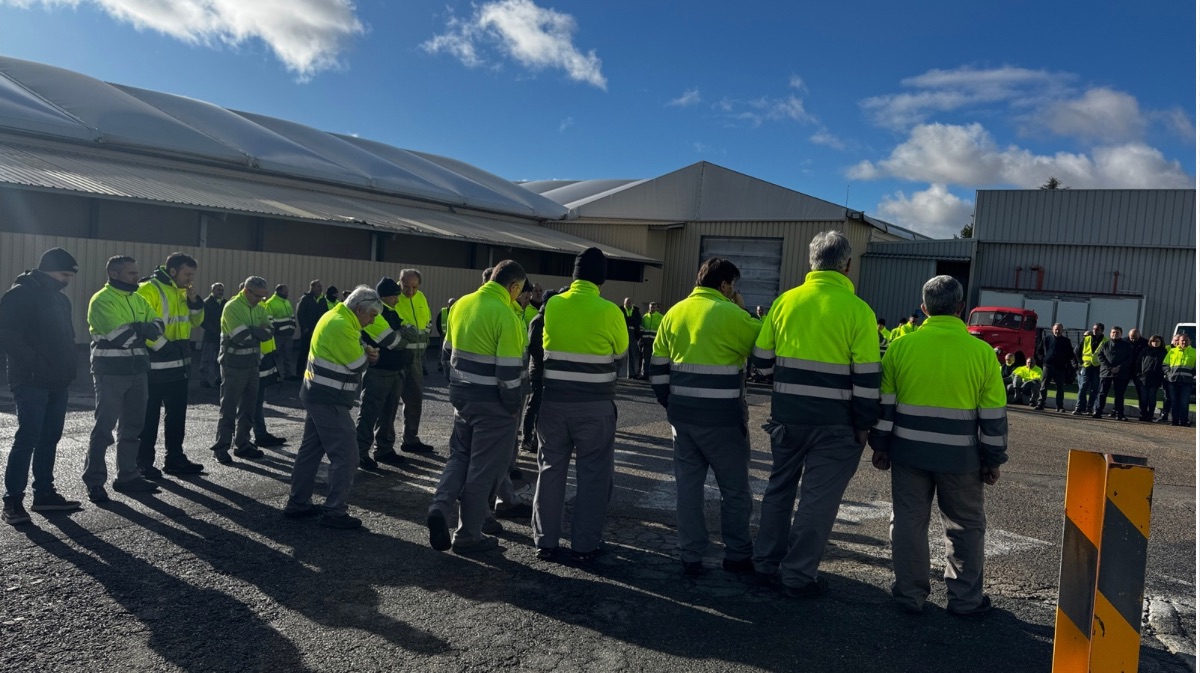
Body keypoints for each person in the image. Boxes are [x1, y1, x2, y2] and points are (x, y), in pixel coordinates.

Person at [750, 231, 881, 597]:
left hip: (787, 419)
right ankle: (797, 576)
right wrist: (864, 425)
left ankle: (764, 563)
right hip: (836, 425)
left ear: (811, 263)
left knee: (779, 489)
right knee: (817, 502)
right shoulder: (859, 311)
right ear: (847, 265)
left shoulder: (785, 303)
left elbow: (761, 363)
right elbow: (868, 379)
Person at [869, 275, 1006, 617]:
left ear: (923, 308)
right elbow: (992, 416)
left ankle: (908, 595)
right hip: (961, 458)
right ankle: (964, 600)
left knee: (907, 522)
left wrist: (880, 445)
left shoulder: (901, 347)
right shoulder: (982, 353)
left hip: (907, 453)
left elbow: (884, 406)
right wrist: (993, 459)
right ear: (961, 308)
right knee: (964, 526)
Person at [650, 258, 761, 576]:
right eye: (733, 287)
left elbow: (657, 368)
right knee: (735, 490)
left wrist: (669, 404)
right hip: (724, 419)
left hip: (682, 417)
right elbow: (765, 351)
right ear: (725, 285)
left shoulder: (674, 313)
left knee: (688, 487)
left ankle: (690, 554)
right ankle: (737, 553)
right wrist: (740, 309)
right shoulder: (733, 315)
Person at [532, 249, 627, 562]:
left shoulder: (553, 304)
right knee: (594, 475)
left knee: (550, 470)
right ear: (601, 278)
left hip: (553, 403)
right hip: (594, 407)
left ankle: (545, 541)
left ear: (573, 275)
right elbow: (621, 353)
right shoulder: (610, 310)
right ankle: (585, 545)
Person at [428, 260, 529, 554]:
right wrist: (512, 408)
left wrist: (457, 387)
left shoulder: (461, 304)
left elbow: (446, 354)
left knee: (459, 457)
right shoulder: (506, 315)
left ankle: (439, 506)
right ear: (512, 287)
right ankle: (468, 535)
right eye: (519, 291)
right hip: (494, 405)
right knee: (484, 470)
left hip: (462, 397)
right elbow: (509, 374)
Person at [285, 285, 382, 529]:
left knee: (310, 450)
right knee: (347, 455)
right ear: (359, 309)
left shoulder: (337, 317)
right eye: (371, 315)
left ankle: (298, 502)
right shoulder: (342, 324)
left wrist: (363, 351)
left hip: (317, 393)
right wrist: (367, 353)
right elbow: (357, 363)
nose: (372, 321)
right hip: (329, 398)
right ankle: (334, 510)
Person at [0, 248, 82, 524]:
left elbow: (66, 337)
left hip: (58, 379)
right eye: (64, 274)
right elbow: (8, 336)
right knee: (28, 439)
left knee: (50, 438)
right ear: (47, 270)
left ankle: (44, 494)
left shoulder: (59, 299)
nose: (67, 280)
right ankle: (12, 501)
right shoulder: (19, 295)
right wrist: (36, 365)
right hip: (31, 380)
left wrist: (69, 368)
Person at [83, 256, 165, 502]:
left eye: (136, 272)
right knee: (104, 429)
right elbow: (124, 338)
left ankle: (128, 476)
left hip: (138, 370)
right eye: (131, 273)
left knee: (133, 427)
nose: (136, 277)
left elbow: (160, 326)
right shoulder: (101, 300)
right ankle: (95, 481)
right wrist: (142, 328)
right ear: (114, 274)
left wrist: (138, 328)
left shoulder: (138, 298)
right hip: (110, 372)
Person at [136, 253, 205, 479]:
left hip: (179, 365)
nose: (190, 279)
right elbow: (142, 326)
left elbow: (195, 322)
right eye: (187, 274)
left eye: (192, 274)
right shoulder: (149, 289)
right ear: (172, 271)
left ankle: (175, 458)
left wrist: (194, 301)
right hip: (156, 365)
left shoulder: (183, 291)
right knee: (149, 417)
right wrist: (164, 347)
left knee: (177, 416)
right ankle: (143, 463)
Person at [355, 277, 418, 470]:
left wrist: (403, 334)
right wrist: (402, 335)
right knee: (370, 413)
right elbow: (394, 341)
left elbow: (412, 332)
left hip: (394, 370)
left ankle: (384, 449)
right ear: (383, 297)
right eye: (393, 296)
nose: (397, 300)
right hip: (379, 371)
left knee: (388, 414)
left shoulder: (390, 312)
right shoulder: (375, 314)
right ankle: (360, 452)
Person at [211, 277, 274, 464]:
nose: (262, 300)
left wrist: (253, 331)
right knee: (229, 408)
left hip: (252, 364)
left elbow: (270, 331)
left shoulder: (260, 308)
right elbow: (241, 337)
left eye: (264, 296)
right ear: (246, 291)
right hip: (233, 365)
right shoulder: (232, 307)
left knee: (249, 407)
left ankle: (243, 444)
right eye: (258, 296)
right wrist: (257, 331)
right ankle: (221, 447)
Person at [395, 269, 436, 453]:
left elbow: (427, 320)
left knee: (415, 400)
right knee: (388, 403)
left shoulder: (421, 298)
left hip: (416, 359)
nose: (410, 291)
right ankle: (383, 446)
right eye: (406, 287)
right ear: (400, 282)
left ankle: (410, 439)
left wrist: (426, 337)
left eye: (414, 287)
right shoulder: (392, 297)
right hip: (398, 357)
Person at [519, 289, 558, 455]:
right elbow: (535, 348)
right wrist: (549, 360)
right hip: (537, 371)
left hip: (546, 371)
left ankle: (536, 439)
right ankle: (527, 439)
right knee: (533, 405)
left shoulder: (549, 320)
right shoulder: (538, 320)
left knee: (541, 407)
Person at [250, 326, 288, 449]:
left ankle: (259, 433)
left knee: (257, 401)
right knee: (253, 402)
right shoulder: (257, 309)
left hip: (263, 358)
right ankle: (254, 436)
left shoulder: (260, 308)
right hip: (258, 359)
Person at [1094, 326, 1132, 421]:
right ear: (1110, 333)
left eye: (1117, 333)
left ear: (1121, 334)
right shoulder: (1105, 345)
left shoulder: (1127, 346)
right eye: (1113, 332)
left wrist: (1119, 368)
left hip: (1121, 373)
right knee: (1102, 393)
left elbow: (1129, 359)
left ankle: (1119, 414)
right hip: (1106, 373)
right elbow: (1100, 357)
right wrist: (1109, 368)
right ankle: (1098, 411)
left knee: (1119, 394)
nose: (1115, 334)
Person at [1036, 323, 1074, 412]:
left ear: (1062, 330)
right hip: (1048, 367)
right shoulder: (1046, 339)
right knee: (1044, 386)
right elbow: (1039, 351)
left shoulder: (1066, 341)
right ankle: (1040, 404)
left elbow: (1070, 354)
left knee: (1060, 388)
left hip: (1060, 368)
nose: (1058, 331)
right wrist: (1043, 360)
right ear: (1052, 329)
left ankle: (1059, 406)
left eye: (1060, 329)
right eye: (1056, 329)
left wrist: (1065, 362)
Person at [264, 285, 297, 381]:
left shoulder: (286, 302)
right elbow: (269, 319)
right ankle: (276, 375)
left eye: (287, 291)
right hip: (278, 335)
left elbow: (291, 315)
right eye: (285, 292)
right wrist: (275, 330)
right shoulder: (271, 303)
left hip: (288, 334)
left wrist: (293, 326)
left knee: (288, 355)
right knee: (275, 356)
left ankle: (288, 374)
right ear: (278, 291)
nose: (286, 293)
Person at [1073, 323, 1106, 416]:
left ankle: (1090, 408)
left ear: (1102, 330)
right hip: (1086, 366)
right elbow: (1077, 351)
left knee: (1094, 389)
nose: (1095, 330)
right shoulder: (1087, 339)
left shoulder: (1106, 341)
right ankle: (1079, 408)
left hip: (1097, 367)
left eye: (1097, 329)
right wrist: (1081, 363)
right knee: (1083, 387)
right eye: (1094, 329)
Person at [296, 279, 326, 378]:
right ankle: (300, 373)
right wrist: (305, 328)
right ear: (312, 287)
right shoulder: (305, 299)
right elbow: (300, 314)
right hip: (308, 332)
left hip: (319, 332)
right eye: (318, 286)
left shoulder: (322, 300)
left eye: (321, 287)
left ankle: (314, 373)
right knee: (304, 352)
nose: (320, 289)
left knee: (317, 354)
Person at [1163, 332, 1195, 427]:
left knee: (1184, 402)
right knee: (1174, 401)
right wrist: (1168, 374)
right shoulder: (1172, 351)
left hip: (1187, 382)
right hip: (1173, 381)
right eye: (1182, 341)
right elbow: (1165, 364)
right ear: (1179, 341)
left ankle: (1184, 421)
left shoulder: (1195, 352)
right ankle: (1175, 420)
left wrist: (1192, 374)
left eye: (1186, 341)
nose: (1184, 342)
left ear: (1189, 341)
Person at [199, 283, 226, 389]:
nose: (220, 292)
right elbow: (203, 320)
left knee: (220, 359)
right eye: (218, 289)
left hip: (222, 336)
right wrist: (214, 330)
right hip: (210, 337)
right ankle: (204, 379)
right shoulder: (206, 303)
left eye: (222, 290)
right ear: (212, 290)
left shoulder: (225, 303)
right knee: (206, 359)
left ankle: (219, 378)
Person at [1136, 335, 1167, 422]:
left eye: (1157, 341)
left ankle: (1150, 415)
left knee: (1151, 397)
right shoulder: (1145, 351)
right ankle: (1143, 414)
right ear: (1150, 342)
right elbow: (1138, 362)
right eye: (1153, 341)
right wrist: (1138, 374)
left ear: (1161, 342)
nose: (1155, 343)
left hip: (1155, 379)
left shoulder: (1164, 352)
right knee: (1143, 398)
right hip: (1143, 378)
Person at [1126, 328, 1148, 419]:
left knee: (1141, 393)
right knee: (1120, 391)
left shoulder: (1145, 343)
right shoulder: (1124, 342)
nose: (1133, 340)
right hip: (1126, 369)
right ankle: (1116, 410)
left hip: (1139, 371)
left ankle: (1143, 413)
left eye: (1135, 338)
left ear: (1140, 335)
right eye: (1132, 338)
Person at [639, 301, 663, 380]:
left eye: (653, 307)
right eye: (651, 307)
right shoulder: (645, 317)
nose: (652, 309)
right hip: (646, 341)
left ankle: (653, 375)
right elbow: (642, 328)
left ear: (656, 308)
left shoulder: (660, 317)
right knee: (646, 358)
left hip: (655, 342)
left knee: (655, 359)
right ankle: (645, 374)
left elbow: (662, 330)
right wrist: (641, 339)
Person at [1158, 334, 1180, 423]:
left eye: (1178, 340)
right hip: (1167, 378)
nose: (1177, 342)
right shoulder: (1166, 349)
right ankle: (1165, 415)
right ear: (1172, 340)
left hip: (1178, 378)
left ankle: (1177, 416)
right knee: (1167, 397)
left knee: (1177, 398)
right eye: (1175, 340)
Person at [621, 297, 642, 379]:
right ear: (624, 303)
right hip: (623, 333)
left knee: (632, 355)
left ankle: (631, 374)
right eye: (626, 302)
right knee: (619, 355)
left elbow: (639, 321)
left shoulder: (636, 311)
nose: (628, 304)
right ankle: (616, 373)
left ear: (632, 303)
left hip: (633, 334)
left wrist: (628, 320)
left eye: (629, 302)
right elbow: (622, 320)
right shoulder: (621, 310)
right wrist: (631, 320)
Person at [436, 297, 455, 373]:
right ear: (448, 304)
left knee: (452, 351)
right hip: (444, 335)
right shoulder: (443, 311)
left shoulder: (456, 311)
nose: (452, 306)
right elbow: (438, 323)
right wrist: (441, 333)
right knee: (442, 350)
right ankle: (441, 365)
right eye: (451, 304)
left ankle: (450, 365)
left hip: (453, 336)